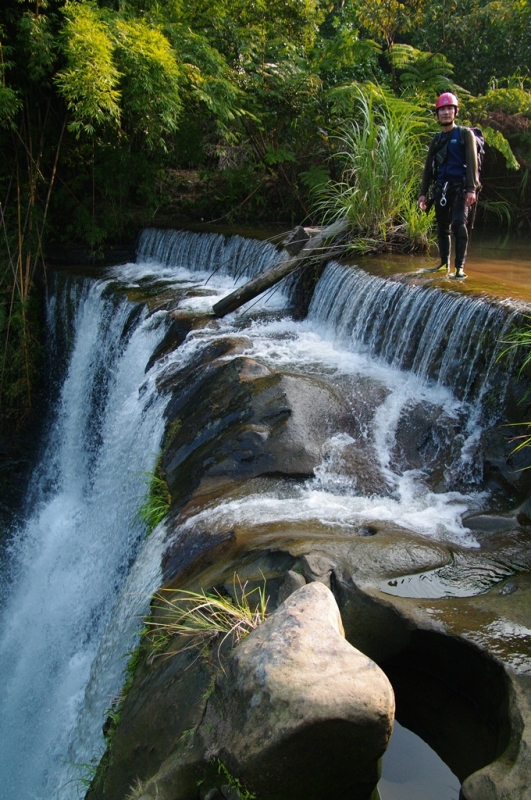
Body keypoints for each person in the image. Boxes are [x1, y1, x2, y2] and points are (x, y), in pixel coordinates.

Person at [418, 92, 479, 279]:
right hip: (441, 189)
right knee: (442, 227)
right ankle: (444, 264)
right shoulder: (437, 140)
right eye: (442, 109)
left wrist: (471, 189)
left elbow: (472, 163)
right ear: (437, 114)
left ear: (455, 112)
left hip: (460, 188)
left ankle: (459, 267)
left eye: (449, 109)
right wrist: (423, 193)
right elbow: (428, 168)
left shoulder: (465, 134)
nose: (445, 112)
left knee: (459, 225)